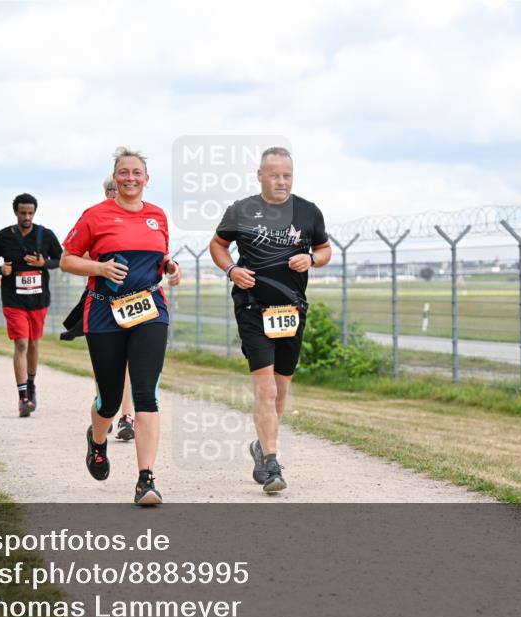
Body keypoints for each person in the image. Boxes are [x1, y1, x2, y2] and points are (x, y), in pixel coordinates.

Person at [60, 146, 181, 505]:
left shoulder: (157, 215)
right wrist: (99, 268)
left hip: (149, 310)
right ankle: (97, 441)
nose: (130, 178)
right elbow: (67, 260)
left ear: (147, 178)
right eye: (124, 172)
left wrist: (170, 267)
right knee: (110, 401)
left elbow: (159, 257)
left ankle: (146, 479)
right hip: (103, 312)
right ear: (115, 178)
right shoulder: (95, 216)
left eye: (136, 172)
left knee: (146, 395)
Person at [208, 146, 331, 494]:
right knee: (265, 387)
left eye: (287, 175)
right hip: (252, 307)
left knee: (281, 388)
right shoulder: (241, 210)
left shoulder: (308, 211)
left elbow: (324, 249)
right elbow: (217, 245)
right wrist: (231, 269)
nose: (281, 181)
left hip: (291, 310)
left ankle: (262, 446)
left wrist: (311, 260)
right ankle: (273, 462)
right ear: (260, 176)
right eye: (274, 175)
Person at [0, 194, 63, 417]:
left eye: (30, 213)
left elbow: (62, 259)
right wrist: (0, 269)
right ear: (15, 212)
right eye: (23, 213)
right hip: (13, 300)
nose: (27, 217)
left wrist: (44, 263)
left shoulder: (45, 235)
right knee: (21, 344)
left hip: (38, 300)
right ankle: (23, 398)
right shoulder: (4, 236)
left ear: (34, 212)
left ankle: (31, 384)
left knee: (34, 343)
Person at [104, 177, 135, 441]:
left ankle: (127, 416)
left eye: (118, 189)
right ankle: (104, 411)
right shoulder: (96, 218)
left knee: (129, 364)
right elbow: (77, 256)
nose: (115, 193)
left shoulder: (140, 218)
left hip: (134, 300)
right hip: (103, 301)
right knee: (106, 364)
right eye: (111, 190)